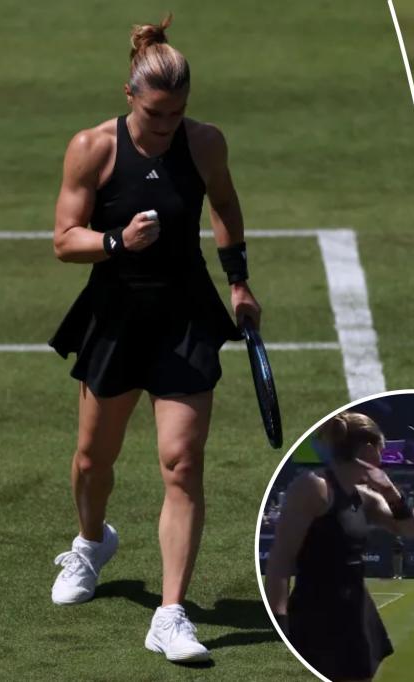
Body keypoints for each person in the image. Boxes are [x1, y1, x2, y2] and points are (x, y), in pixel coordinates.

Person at [47, 15, 261, 663]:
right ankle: (92, 543)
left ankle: (171, 616)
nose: (166, 126)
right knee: (93, 461)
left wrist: (239, 283)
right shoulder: (92, 147)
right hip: (114, 317)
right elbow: (65, 241)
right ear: (130, 95)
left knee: (182, 463)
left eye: (177, 113)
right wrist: (117, 242)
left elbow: (224, 205)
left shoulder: (205, 143)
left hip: (185, 316)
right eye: (155, 113)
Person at [265, 412, 414, 681]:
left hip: (355, 610)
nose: (383, 458)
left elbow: (411, 531)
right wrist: (280, 622)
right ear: (369, 449)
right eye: (382, 450)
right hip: (316, 611)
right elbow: (281, 559)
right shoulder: (313, 488)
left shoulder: (367, 498)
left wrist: (391, 492)